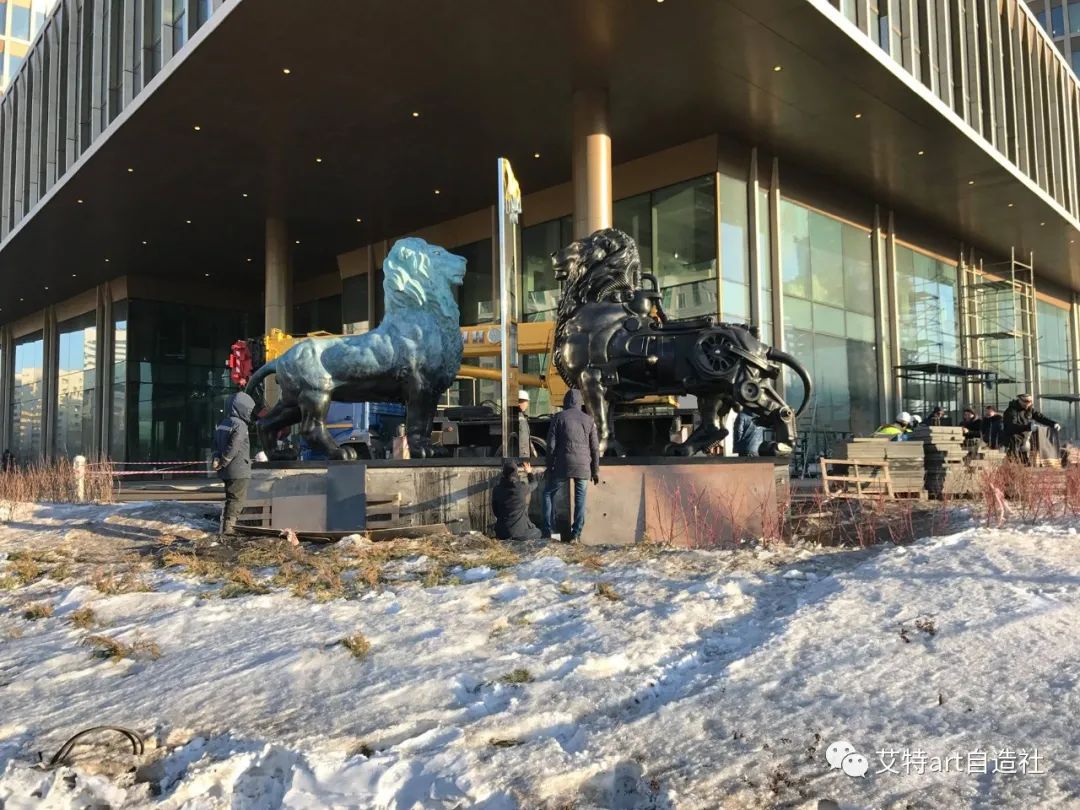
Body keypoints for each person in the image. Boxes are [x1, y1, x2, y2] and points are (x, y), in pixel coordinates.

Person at [542, 389, 600, 542]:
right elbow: (595, 448)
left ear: (565, 401)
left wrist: (549, 466)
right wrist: (595, 471)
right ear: (580, 402)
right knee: (580, 500)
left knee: (548, 494)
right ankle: (576, 535)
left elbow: (551, 446)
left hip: (563, 464)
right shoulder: (589, 420)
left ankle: (549, 531)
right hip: (583, 466)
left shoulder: (558, 417)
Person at [213, 392, 256, 538]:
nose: (249, 413)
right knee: (236, 500)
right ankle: (229, 529)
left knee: (230, 499)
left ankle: (226, 527)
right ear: (242, 408)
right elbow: (234, 446)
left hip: (226, 471)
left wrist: (218, 460)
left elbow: (215, 444)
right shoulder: (240, 425)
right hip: (238, 470)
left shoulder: (222, 423)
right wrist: (225, 460)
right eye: (248, 409)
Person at [492, 459, 542, 541]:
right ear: (516, 473)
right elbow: (534, 483)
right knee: (538, 532)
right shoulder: (521, 488)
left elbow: (495, 512)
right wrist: (529, 472)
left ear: (503, 473)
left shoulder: (496, 489)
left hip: (502, 533)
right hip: (519, 533)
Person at [1002, 393, 1060, 463]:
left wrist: (1053, 424)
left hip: (1025, 436)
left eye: (1030, 402)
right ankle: (1013, 461)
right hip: (1012, 436)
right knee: (1015, 443)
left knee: (1036, 439)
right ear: (1019, 400)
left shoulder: (1030, 409)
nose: (1027, 404)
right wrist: (1028, 427)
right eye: (1025, 401)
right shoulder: (1011, 411)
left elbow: (1040, 417)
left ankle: (1036, 460)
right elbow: (1011, 426)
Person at [516, 391, 533, 458]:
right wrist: (524, 457)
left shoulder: (520, 416)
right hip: (522, 456)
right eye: (526, 402)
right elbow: (523, 439)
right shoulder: (520, 419)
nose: (527, 405)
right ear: (519, 402)